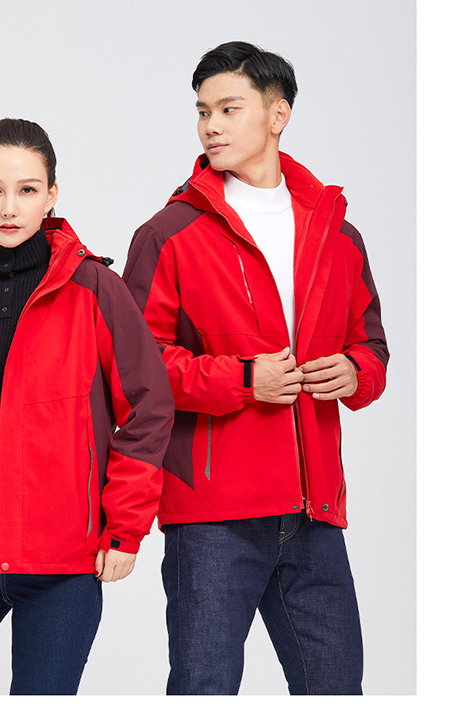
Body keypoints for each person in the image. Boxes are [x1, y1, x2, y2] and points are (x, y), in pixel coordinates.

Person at [122, 41, 389, 695]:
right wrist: (243, 381)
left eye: (229, 108)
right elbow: (134, 370)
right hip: (213, 515)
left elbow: (371, 347)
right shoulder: (169, 234)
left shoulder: (336, 234)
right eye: (202, 111)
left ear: (278, 114)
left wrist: (355, 371)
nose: (210, 125)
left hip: (314, 511)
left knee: (336, 688)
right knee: (204, 688)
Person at [0, 117, 174, 695]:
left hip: (62, 563)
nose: (9, 207)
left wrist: (125, 529)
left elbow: (149, 408)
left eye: (27, 189)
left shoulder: (95, 290)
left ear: (51, 195)